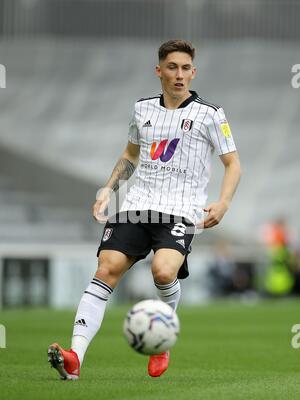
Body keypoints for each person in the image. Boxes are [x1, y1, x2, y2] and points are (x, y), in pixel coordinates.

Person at [48, 39, 241, 380]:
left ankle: (162, 342)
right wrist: (108, 189)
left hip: (181, 210)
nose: (179, 75)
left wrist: (223, 203)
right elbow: (130, 155)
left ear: (193, 72)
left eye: (185, 68)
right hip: (138, 207)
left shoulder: (211, 115)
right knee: (106, 269)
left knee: (163, 273)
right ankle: (75, 356)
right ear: (159, 71)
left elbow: (233, 164)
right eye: (172, 67)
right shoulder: (142, 109)